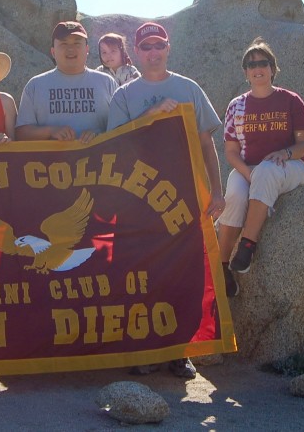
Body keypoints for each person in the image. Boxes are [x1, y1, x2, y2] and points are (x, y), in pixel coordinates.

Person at [107, 21, 225, 380]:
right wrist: (151, 114)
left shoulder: (188, 88)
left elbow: (207, 145)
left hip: (185, 197)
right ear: (137, 53)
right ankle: (145, 350)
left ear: (168, 48)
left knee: (184, 274)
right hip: (138, 200)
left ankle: (179, 351)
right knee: (140, 274)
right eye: (146, 48)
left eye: (159, 46)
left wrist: (217, 192)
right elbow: (114, 145)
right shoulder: (123, 95)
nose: (153, 53)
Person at [216, 38, 304, 291]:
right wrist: (249, 174)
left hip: (292, 167)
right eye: (251, 64)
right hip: (250, 167)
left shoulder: (291, 100)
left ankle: (248, 246)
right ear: (246, 72)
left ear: (273, 68)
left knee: (268, 169)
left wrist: (284, 152)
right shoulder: (236, 106)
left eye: (263, 63)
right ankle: (222, 267)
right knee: (236, 195)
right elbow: (231, 152)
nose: (257, 68)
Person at [16, 21, 117, 143]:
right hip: (51, 161)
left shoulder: (107, 83)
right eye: (63, 44)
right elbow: (21, 134)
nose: (70, 49)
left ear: (87, 49)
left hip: (99, 160)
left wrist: (99, 136)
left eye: (77, 43)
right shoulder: (35, 86)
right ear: (53, 52)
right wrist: (50, 131)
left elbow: (122, 128)